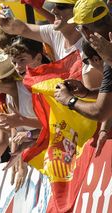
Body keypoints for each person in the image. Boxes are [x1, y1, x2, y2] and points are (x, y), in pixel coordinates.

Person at [54, 0, 112, 156]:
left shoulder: (109, 53)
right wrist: (87, 93)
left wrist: (70, 100)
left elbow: (101, 111)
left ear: (85, 31)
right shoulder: (108, 52)